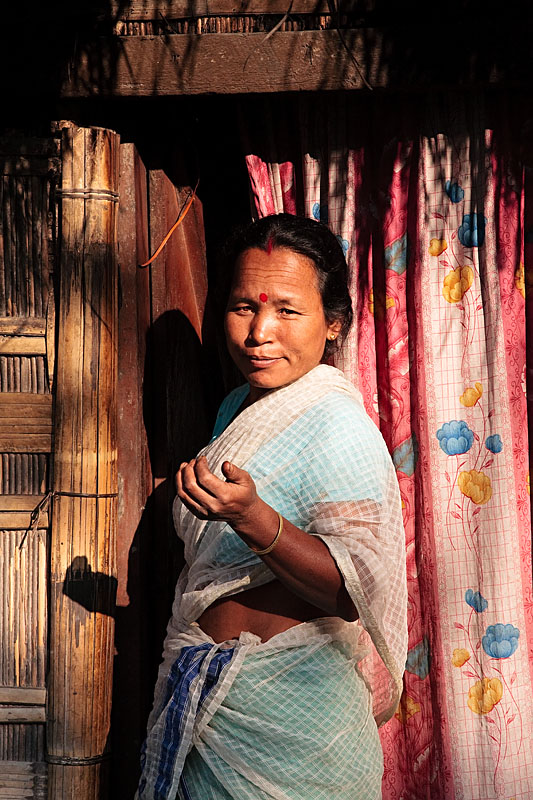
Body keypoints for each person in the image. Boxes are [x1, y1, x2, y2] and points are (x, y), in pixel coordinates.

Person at [137, 214, 407, 800]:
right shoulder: (235, 408)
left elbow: (353, 589)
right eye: (243, 307)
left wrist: (253, 518)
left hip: (299, 724)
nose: (260, 331)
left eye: (287, 310)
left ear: (333, 323)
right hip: (210, 704)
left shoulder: (338, 425)